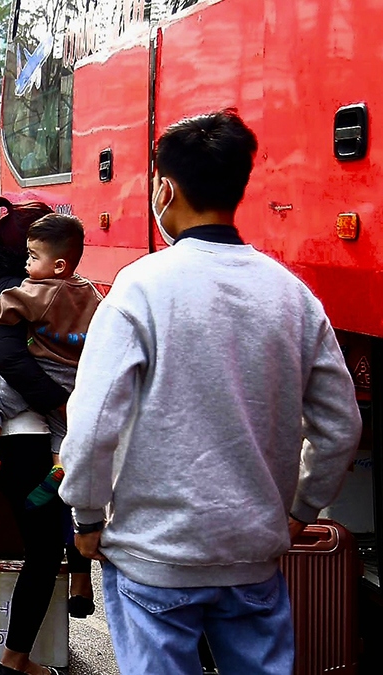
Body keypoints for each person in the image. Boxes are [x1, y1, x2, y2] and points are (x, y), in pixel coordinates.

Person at [61, 110, 362, 675]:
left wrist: (86, 517)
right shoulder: (291, 296)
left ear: (165, 188)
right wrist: (300, 508)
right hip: (253, 557)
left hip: (154, 557)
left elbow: (95, 421)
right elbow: (340, 425)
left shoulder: (140, 287)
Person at [0, 196, 83, 674]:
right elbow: (9, 357)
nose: (30, 261)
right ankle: (15, 660)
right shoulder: (37, 288)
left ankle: (20, 651)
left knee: (42, 539)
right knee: (44, 548)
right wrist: (62, 398)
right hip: (27, 434)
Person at [0, 214, 101, 508]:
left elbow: (1, 305)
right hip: (74, 374)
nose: (27, 264)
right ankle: (58, 468)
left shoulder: (40, 291)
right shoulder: (90, 291)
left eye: (33, 257)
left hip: (42, 369)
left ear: (58, 266)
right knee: (63, 428)